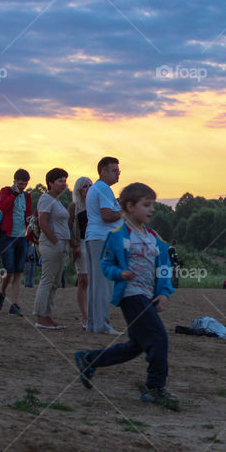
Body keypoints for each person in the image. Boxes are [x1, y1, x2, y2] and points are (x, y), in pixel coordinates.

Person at [74, 182, 177, 409]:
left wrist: (164, 293)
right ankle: (155, 387)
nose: (151, 209)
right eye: (146, 204)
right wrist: (120, 273)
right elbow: (106, 265)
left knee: (137, 345)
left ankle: (89, 358)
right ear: (129, 206)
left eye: (153, 205)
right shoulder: (117, 236)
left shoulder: (154, 238)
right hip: (131, 295)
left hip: (149, 295)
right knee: (159, 336)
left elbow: (164, 268)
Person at [84, 157, 123, 334]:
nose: (118, 173)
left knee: (95, 283)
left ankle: (93, 323)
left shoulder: (98, 188)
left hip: (95, 238)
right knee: (103, 284)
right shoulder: (103, 189)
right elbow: (107, 215)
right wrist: (124, 211)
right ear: (102, 171)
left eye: (118, 170)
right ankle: (101, 325)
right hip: (101, 239)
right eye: (114, 170)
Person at [33, 168, 72, 329]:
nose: (64, 183)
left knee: (54, 282)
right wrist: (56, 241)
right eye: (60, 180)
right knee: (47, 280)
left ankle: (47, 316)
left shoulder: (56, 200)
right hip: (52, 245)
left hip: (60, 244)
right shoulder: (46, 199)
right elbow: (43, 223)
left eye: (65, 180)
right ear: (50, 183)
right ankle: (40, 317)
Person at [0, 169, 34, 315]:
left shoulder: (27, 197)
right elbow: (3, 206)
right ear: (15, 181)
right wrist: (14, 194)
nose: (23, 186)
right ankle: (2, 292)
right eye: (20, 183)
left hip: (22, 237)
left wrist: (30, 230)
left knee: (18, 272)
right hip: (7, 236)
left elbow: (27, 215)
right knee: (9, 271)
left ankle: (14, 305)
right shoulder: (6, 191)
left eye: (25, 184)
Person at [68, 176, 92, 327]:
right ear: (79, 189)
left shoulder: (95, 205)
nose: (88, 188)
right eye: (85, 186)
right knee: (83, 280)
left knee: (94, 280)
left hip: (94, 244)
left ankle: (93, 313)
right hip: (81, 243)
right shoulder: (74, 207)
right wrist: (74, 246)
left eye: (90, 185)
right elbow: (68, 228)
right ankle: (85, 316)